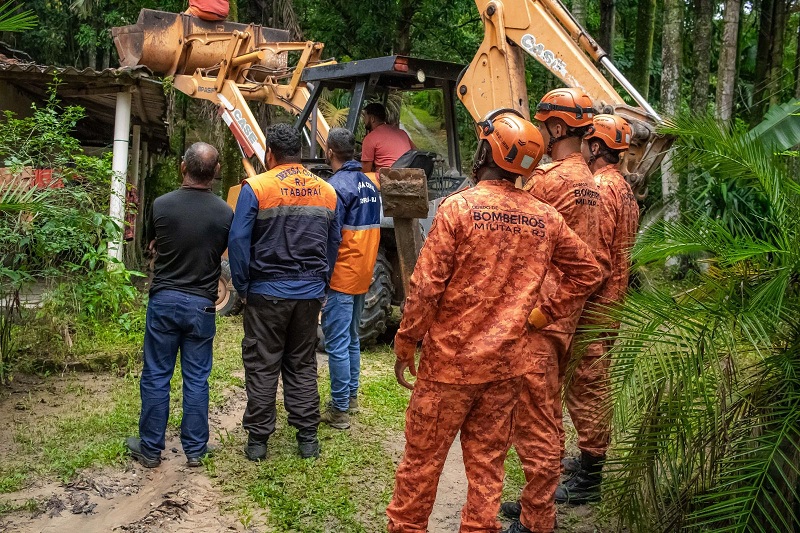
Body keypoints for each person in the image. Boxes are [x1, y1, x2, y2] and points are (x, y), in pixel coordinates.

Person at [386, 109, 603, 533]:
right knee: (487, 472)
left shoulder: (459, 209)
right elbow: (589, 272)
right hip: (506, 369)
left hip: (449, 367)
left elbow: (426, 287)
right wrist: (544, 313)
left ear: (487, 150)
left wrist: (406, 341)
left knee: (421, 467)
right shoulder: (544, 217)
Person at [502, 88, 612, 533]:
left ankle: (535, 520)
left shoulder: (550, 181)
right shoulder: (591, 183)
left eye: (545, 125)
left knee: (538, 418)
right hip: (566, 311)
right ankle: (536, 505)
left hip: (542, 311)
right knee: (545, 412)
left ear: (558, 128)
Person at [227, 123, 341, 461]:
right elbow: (333, 243)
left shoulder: (257, 187)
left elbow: (237, 241)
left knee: (263, 364)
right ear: (299, 154)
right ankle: (307, 439)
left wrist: (244, 285)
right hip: (308, 294)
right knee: (302, 363)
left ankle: (258, 443)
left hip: (265, 292)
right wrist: (322, 283)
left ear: (269, 154)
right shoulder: (327, 191)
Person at [127, 142, 233, 469]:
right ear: (216, 172)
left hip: (164, 300)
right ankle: (196, 451)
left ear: (182, 167)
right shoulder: (225, 213)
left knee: (157, 375)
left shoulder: (161, 205)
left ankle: (149, 449)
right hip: (202, 305)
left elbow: (149, 242)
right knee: (197, 378)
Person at [554, 114, 640, 504]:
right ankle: (589, 460)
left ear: (597, 147)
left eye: (588, 142)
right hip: (612, 304)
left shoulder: (602, 190)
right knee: (592, 381)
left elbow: (597, 258)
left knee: (587, 386)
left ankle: (591, 475)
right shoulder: (625, 189)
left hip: (594, 306)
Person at [319, 128, 382, 430]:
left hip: (341, 275)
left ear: (330, 152)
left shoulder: (335, 187)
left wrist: (322, 276)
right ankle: (351, 397)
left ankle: (340, 408)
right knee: (352, 338)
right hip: (363, 272)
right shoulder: (370, 184)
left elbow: (331, 240)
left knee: (337, 343)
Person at [360, 102, 415, 172]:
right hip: (407, 175)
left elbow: (365, 170)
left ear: (372, 119)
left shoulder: (370, 138)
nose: (364, 121)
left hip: (387, 177)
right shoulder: (402, 132)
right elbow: (416, 152)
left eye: (365, 117)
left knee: (360, 177)